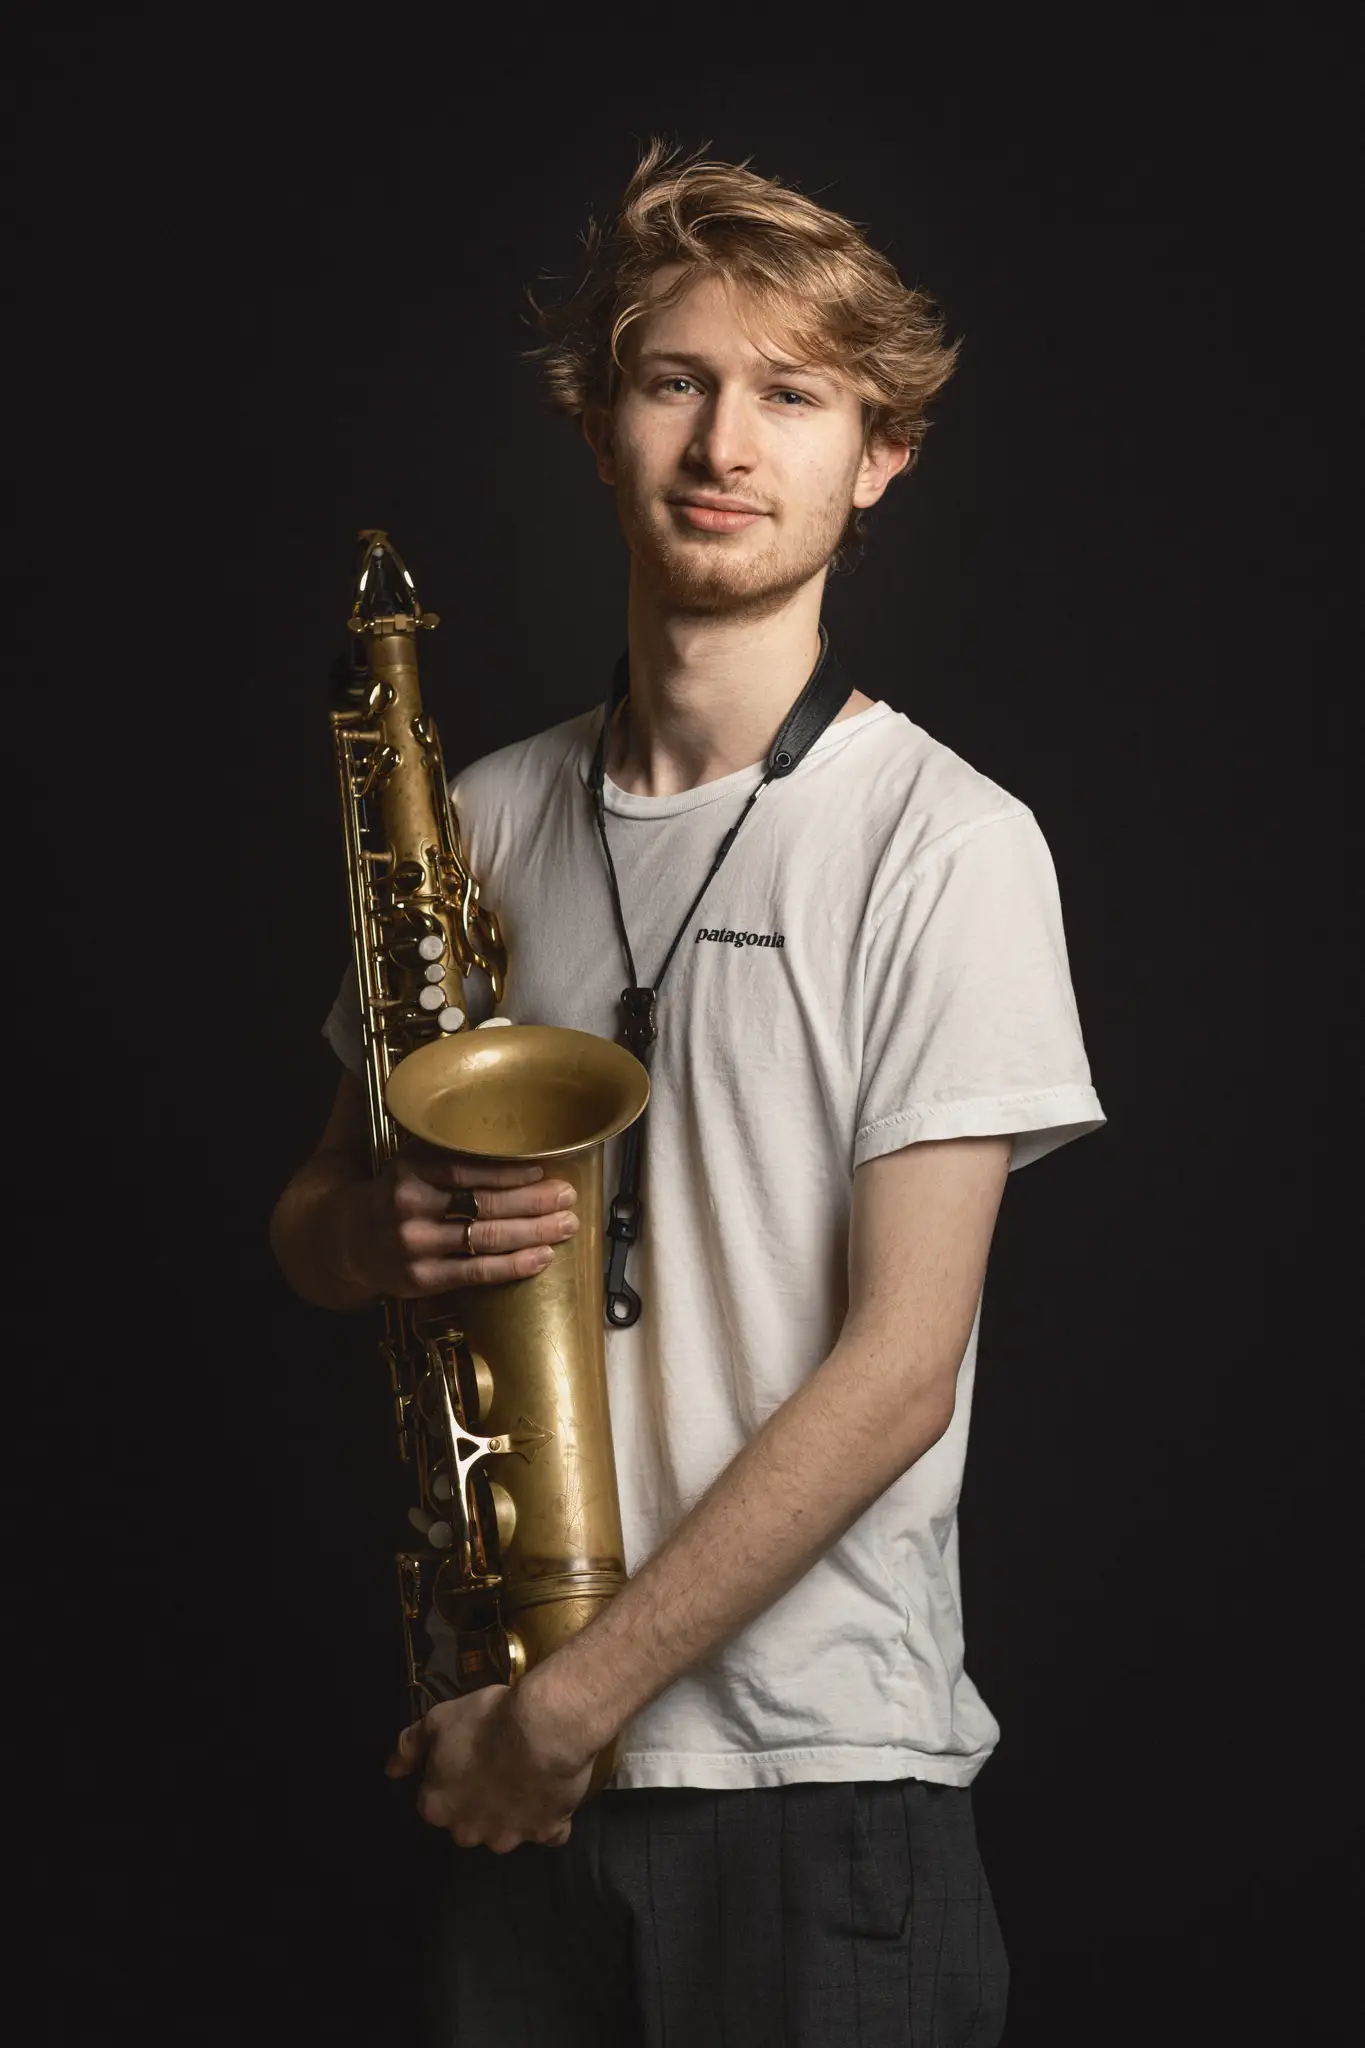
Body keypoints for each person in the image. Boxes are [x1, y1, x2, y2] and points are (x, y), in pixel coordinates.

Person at [270, 140, 1105, 2047]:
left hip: (815, 1784)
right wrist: (376, 1234)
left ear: (879, 456)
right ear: (600, 427)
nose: (727, 443)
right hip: (518, 1764)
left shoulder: (946, 844)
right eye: (677, 381)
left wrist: (566, 1715)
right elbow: (308, 1222)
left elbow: (903, 1371)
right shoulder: (482, 816)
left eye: (793, 396)